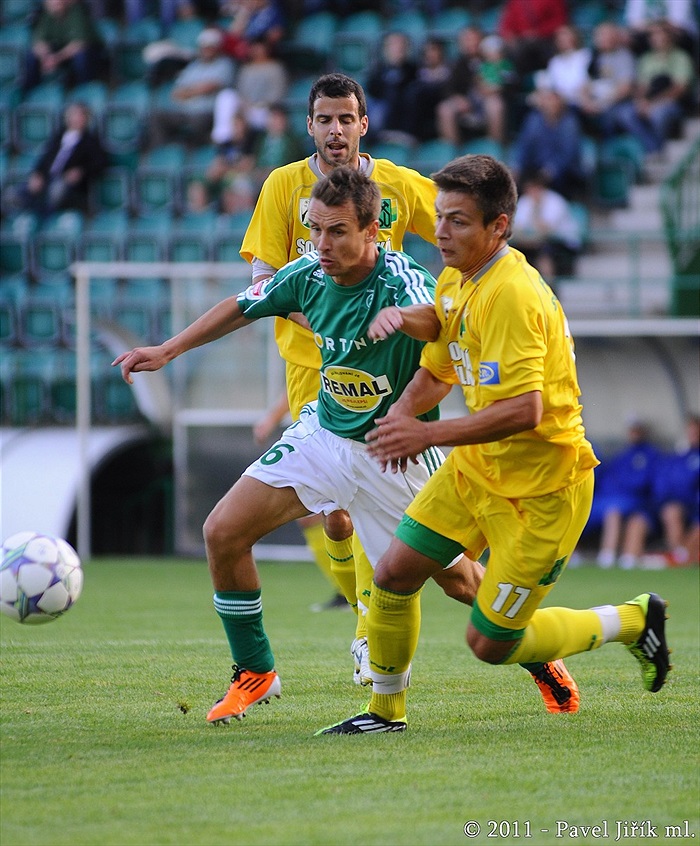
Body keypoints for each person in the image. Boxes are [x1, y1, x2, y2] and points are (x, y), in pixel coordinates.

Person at [239, 73, 579, 713]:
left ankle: (503, 644)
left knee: (432, 559)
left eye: (346, 118)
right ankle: (352, 638)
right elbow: (261, 280)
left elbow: (458, 228)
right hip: (315, 369)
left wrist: (446, 306)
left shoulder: (395, 186)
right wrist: (330, 322)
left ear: (363, 124)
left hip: (390, 370)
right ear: (309, 126)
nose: (335, 129)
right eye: (324, 119)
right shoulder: (282, 185)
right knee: (328, 514)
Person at [113, 166, 487, 723]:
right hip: (325, 435)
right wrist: (168, 350)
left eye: (337, 231)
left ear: (372, 232)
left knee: (458, 580)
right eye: (314, 229)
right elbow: (242, 305)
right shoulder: (307, 273)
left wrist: (402, 319)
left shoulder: (401, 280)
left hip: (394, 454)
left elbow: (438, 319)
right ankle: (255, 671)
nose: (321, 244)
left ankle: (537, 650)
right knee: (223, 532)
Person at [318, 154, 670, 735]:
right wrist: (397, 419)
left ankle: (632, 620)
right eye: (439, 217)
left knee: (489, 643)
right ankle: (384, 713)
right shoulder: (456, 278)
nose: (441, 232)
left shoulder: (513, 294)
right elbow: (438, 366)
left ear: (498, 226)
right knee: (393, 574)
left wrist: (426, 433)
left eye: (457, 221)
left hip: (543, 493)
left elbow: (525, 411)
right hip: (476, 470)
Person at [606, 20, 695, 156]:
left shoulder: (681, 57)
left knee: (658, 114)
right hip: (650, 101)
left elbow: (680, 88)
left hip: (672, 103)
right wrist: (641, 101)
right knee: (625, 113)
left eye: (661, 34)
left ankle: (661, 149)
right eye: (654, 35)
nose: (657, 38)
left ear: (669, 37)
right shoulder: (646, 59)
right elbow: (642, 87)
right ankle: (654, 149)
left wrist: (655, 103)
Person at [11, 100, 107, 218]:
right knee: (14, 195)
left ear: (86, 118)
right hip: (47, 179)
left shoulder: (90, 141)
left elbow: (100, 162)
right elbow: (45, 158)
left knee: (56, 190)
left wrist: (81, 171)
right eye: (73, 114)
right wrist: (37, 174)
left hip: (71, 187)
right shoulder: (58, 136)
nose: (75, 118)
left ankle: (43, 217)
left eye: (79, 115)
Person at [148, 28, 236, 149]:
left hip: (207, 112)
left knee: (197, 122)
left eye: (210, 47)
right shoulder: (194, 66)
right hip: (185, 111)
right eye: (204, 47)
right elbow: (176, 93)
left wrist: (189, 91)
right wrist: (196, 90)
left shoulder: (225, 64)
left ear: (217, 48)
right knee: (157, 117)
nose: (207, 50)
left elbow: (209, 87)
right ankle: (162, 152)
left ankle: (194, 151)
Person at [594, 419, 661, 570]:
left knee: (635, 521)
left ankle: (628, 558)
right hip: (618, 503)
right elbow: (610, 483)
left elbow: (649, 485)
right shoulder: (622, 456)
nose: (634, 434)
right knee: (613, 512)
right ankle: (607, 555)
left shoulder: (652, 455)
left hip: (643, 506)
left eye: (637, 430)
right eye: (632, 430)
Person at [509, 84, 586, 200]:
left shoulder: (569, 123)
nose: (551, 104)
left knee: (557, 180)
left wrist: (549, 171)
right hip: (536, 168)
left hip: (563, 172)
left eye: (554, 100)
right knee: (516, 182)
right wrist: (517, 167)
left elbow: (567, 155)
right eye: (548, 100)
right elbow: (524, 146)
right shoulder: (533, 120)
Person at [510, 170, 583, 283]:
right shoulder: (525, 201)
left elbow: (546, 229)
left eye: (535, 188)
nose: (532, 192)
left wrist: (535, 209)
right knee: (513, 252)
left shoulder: (555, 201)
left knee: (545, 250)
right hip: (533, 241)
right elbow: (517, 228)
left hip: (563, 242)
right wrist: (527, 239)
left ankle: (549, 285)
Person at [22, 0, 104, 92]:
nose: (55, 3)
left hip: (89, 53)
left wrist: (56, 58)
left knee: (82, 56)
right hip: (60, 53)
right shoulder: (46, 15)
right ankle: (30, 93)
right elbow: (39, 42)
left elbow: (79, 44)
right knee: (31, 55)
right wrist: (46, 56)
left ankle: (84, 90)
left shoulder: (77, 12)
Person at [652, 414, 700, 566]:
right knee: (671, 511)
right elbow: (666, 481)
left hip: (696, 504)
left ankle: (685, 559)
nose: (693, 435)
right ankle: (679, 555)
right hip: (682, 504)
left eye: (696, 432)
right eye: (691, 432)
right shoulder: (680, 457)